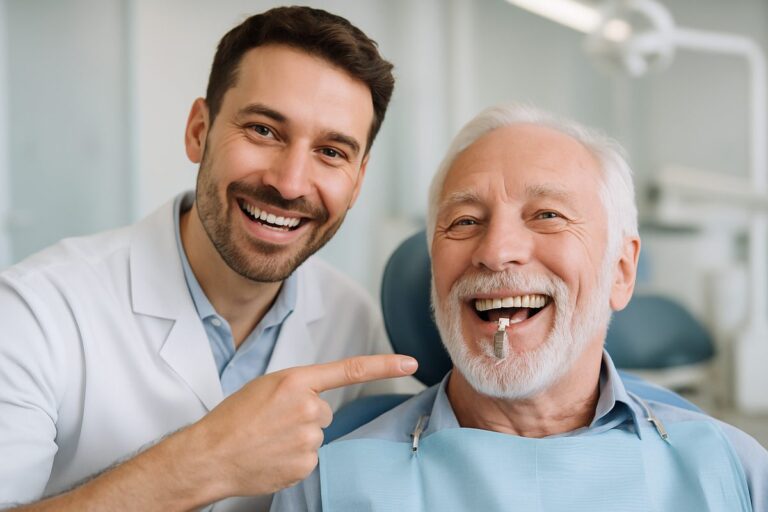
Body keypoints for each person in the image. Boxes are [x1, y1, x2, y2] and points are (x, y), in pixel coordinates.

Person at [0, 6, 420, 512]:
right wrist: (205, 461)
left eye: (331, 152)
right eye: (264, 130)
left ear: (357, 180)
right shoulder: (33, 311)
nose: (289, 183)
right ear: (199, 131)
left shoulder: (356, 326)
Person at [272, 103, 768, 511]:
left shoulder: (732, 470)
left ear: (621, 270)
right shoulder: (329, 484)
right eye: (465, 221)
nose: (495, 250)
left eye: (548, 215)